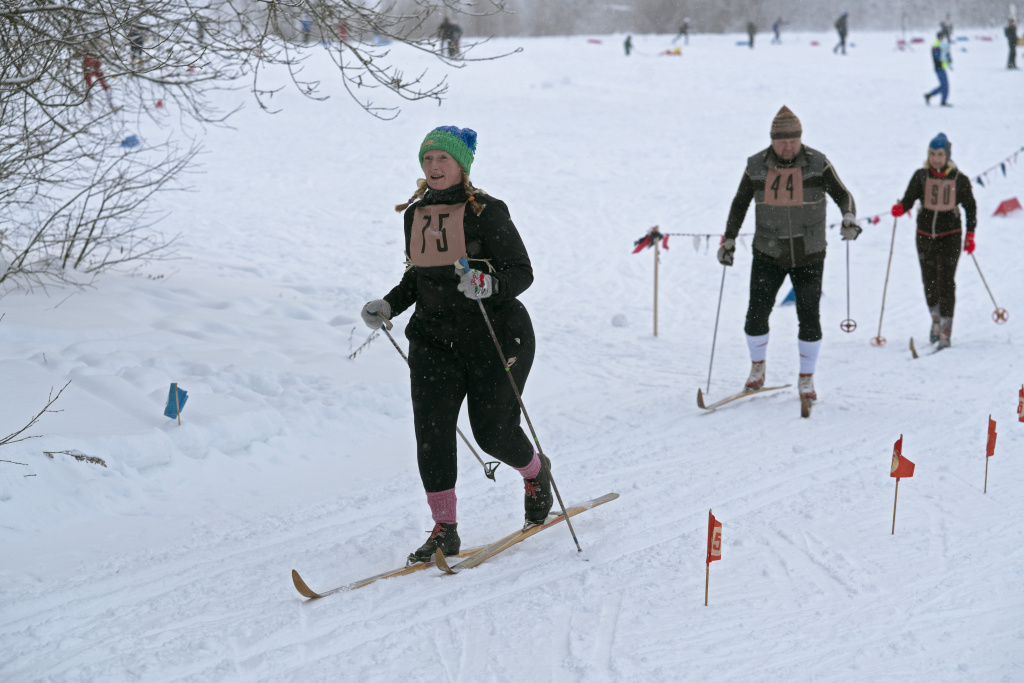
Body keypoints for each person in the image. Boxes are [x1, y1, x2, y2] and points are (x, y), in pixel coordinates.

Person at [359, 126, 552, 564]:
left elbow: (522, 272)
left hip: (496, 337)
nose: (433, 167)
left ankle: (536, 474)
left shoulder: (487, 211)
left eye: (442, 159)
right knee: (431, 434)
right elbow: (419, 276)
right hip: (433, 342)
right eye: (426, 160)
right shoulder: (415, 215)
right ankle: (445, 528)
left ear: (462, 165)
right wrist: (388, 304)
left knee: (493, 434)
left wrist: (489, 283)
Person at [717, 106, 859, 405]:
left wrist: (848, 217)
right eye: (781, 141)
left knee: (809, 318)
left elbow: (843, 194)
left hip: (809, 253)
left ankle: (806, 377)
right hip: (768, 252)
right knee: (756, 315)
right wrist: (729, 239)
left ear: (800, 138)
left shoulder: (818, 163)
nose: (787, 147)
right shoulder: (756, 165)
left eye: (792, 140)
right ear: (771, 140)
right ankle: (757, 367)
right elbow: (739, 203)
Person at [890, 133, 977, 349]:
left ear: (947, 156)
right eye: (932, 154)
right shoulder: (920, 176)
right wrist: (902, 208)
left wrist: (970, 234)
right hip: (925, 235)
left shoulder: (959, 179)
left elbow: (970, 207)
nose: (935, 159)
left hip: (951, 236)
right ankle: (935, 320)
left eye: (939, 155)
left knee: (947, 280)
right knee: (929, 280)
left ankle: (946, 328)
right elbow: (909, 198)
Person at [925, 31, 952, 106]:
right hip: (939, 68)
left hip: (941, 67)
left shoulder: (940, 44)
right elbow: (938, 57)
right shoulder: (936, 45)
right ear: (939, 37)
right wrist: (946, 57)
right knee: (945, 86)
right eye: (942, 36)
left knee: (943, 85)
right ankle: (943, 101)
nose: (943, 38)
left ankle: (929, 95)